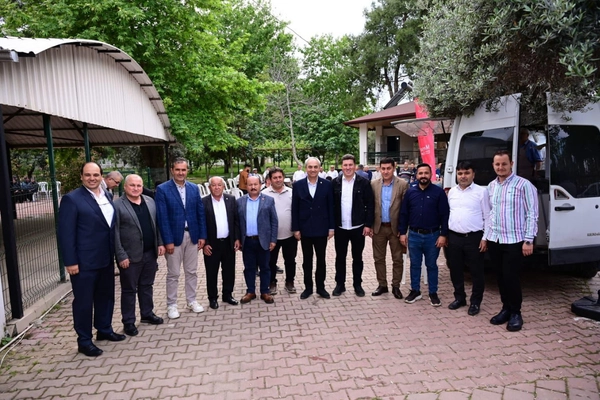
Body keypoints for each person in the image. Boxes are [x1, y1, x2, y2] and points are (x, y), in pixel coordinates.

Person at [58, 162, 125, 357]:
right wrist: (70, 261)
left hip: (105, 258)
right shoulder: (72, 199)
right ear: (81, 176)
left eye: (96, 175)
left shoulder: (107, 195)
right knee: (84, 302)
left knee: (106, 296)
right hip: (83, 262)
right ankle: (84, 341)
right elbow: (66, 233)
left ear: (102, 176)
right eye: (88, 175)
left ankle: (104, 329)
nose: (92, 178)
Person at [485, 150, 538, 331]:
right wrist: (487, 236)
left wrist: (529, 240)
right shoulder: (491, 186)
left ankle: (516, 312)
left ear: (511, 164)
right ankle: (506, 308)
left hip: (514, 240)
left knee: (511, 277)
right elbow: (490, 214)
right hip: (495, 239)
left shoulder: (524, 185)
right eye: (497, 164)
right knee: (500, 277)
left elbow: (532, 214)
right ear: (493, 165)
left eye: (504, 164)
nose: (500, 167)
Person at [155, 158, 207, 319]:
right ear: (172, 170)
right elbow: (162, 217)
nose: (180, 172)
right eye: (177, 169)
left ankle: (191, 301)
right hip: (174, 238)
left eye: (183, 170)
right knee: (173, 273)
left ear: (187, 171)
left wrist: (202, 235)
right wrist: (167, 240)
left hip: (192, 235)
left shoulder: (193, 188)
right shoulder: (162, 189)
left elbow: (200, 213)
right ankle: (171, 305)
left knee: (192, 271)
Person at [114, 174, 165, 337]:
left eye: (139, 185)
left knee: (147, 285)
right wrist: (121, 255)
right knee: (129, 290)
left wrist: (160, 243)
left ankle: (147, 314)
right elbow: (114, 233)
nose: (136, 188)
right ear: (125, 187)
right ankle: (128, 321)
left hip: (150, 253)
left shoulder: (150, 201)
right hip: (130, 256)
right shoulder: (117, 205)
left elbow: (156, 225)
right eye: (132, 185)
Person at [399, 163, 449, 307]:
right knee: (415, 264)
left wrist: (443, 235)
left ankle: (433, 293)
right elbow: (404, 214)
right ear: (416, 175)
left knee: (431, 265)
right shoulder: (410, 192)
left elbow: (445, 215)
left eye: (426, 173)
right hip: (414, 235)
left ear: (431, 174)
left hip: (433, 236)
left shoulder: (438, 192)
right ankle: (415, 290)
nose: (423, 176)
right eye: (420, 173)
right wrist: (402, 233)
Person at [446, 161, 491, 316]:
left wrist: (485, 238)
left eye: (467, 173)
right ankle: (460, 298)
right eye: (460, 173)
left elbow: (488, 216)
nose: (463, 176)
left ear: (473, 174)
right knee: (455, 270)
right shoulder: (452, 192)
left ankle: (475, 302)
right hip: (454, 237)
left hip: (474, 238)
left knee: (476, 272)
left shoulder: (481, 192)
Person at [291, 157, 335, 300]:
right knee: (307, 261)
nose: (313, 169)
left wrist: (331, 228)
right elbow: (295, 208)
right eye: (310, 167)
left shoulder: (327, 185)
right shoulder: (298, 185)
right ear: (306, 168)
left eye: (315, 167)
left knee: (321, 260)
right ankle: (308, 288)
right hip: (305, 229)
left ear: (319, 168)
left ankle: (321, 287)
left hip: (321, 229)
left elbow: (331, 207)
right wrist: (296, 229)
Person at [331, 154, 374, 297]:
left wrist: (368, 224)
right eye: (345, 165)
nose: (348, 167)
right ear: (341, 167)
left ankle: (357, 284)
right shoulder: (335, 183)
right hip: (340, 228)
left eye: (350, 165)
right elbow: (331, 205)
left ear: (355, 166)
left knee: (357, 258)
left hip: (358, 227)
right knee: (340, 257)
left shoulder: (364, 183)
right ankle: (340, 284)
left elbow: (370, 204)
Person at [370, 158, 409, 299]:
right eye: (383, 168)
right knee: (378, 258)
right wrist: (370, 226)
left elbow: (405, 209)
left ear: (394, 168)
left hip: (395, 229)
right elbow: (370, 206)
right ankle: (382, 285)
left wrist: (403, 230)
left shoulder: (402, 184)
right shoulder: (373, 184)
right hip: (379, 228)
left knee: (397, 259)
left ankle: (396, 286)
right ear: (379, 169)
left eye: (388, 168)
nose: (386, 171)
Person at [237, 176, 278, 304]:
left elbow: (274, 221)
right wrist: (238, 239)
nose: (253, 187)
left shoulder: (269, 200)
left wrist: (273, 240)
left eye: (255, 184)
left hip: (263, 241)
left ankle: (265, 292)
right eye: (250, 185)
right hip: (247, 241)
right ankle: (250, 291)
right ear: (246, 186)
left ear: (260, 185)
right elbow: (237, 223)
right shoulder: (240, 201)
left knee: (265, 267)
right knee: (249, 268)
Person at [202, 176, 241, 310]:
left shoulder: (231, 200)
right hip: (211, 245)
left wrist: (236, 238)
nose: (217, 187)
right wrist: (205, 243)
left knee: (229, 271)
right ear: (209, 187)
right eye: (214, 185)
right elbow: (202, 224)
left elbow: (236, 221)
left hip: (228, 242)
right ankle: (212, 298)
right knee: (211, 272)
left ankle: (227, 295)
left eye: (219, 185)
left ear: (223, 186)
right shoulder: (203, 202)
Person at [263, 167, 298, 294]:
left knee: (290, 260)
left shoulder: (292, 192)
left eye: (280, 177)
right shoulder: (264, 194)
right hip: (271, 237)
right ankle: (272, 282)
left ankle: (290, 282)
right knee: (270, 261)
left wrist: (297, 229)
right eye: (275, 178)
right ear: (270, 179)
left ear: (283, 178)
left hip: (290, 234)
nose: (278, 180)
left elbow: (297, 212)